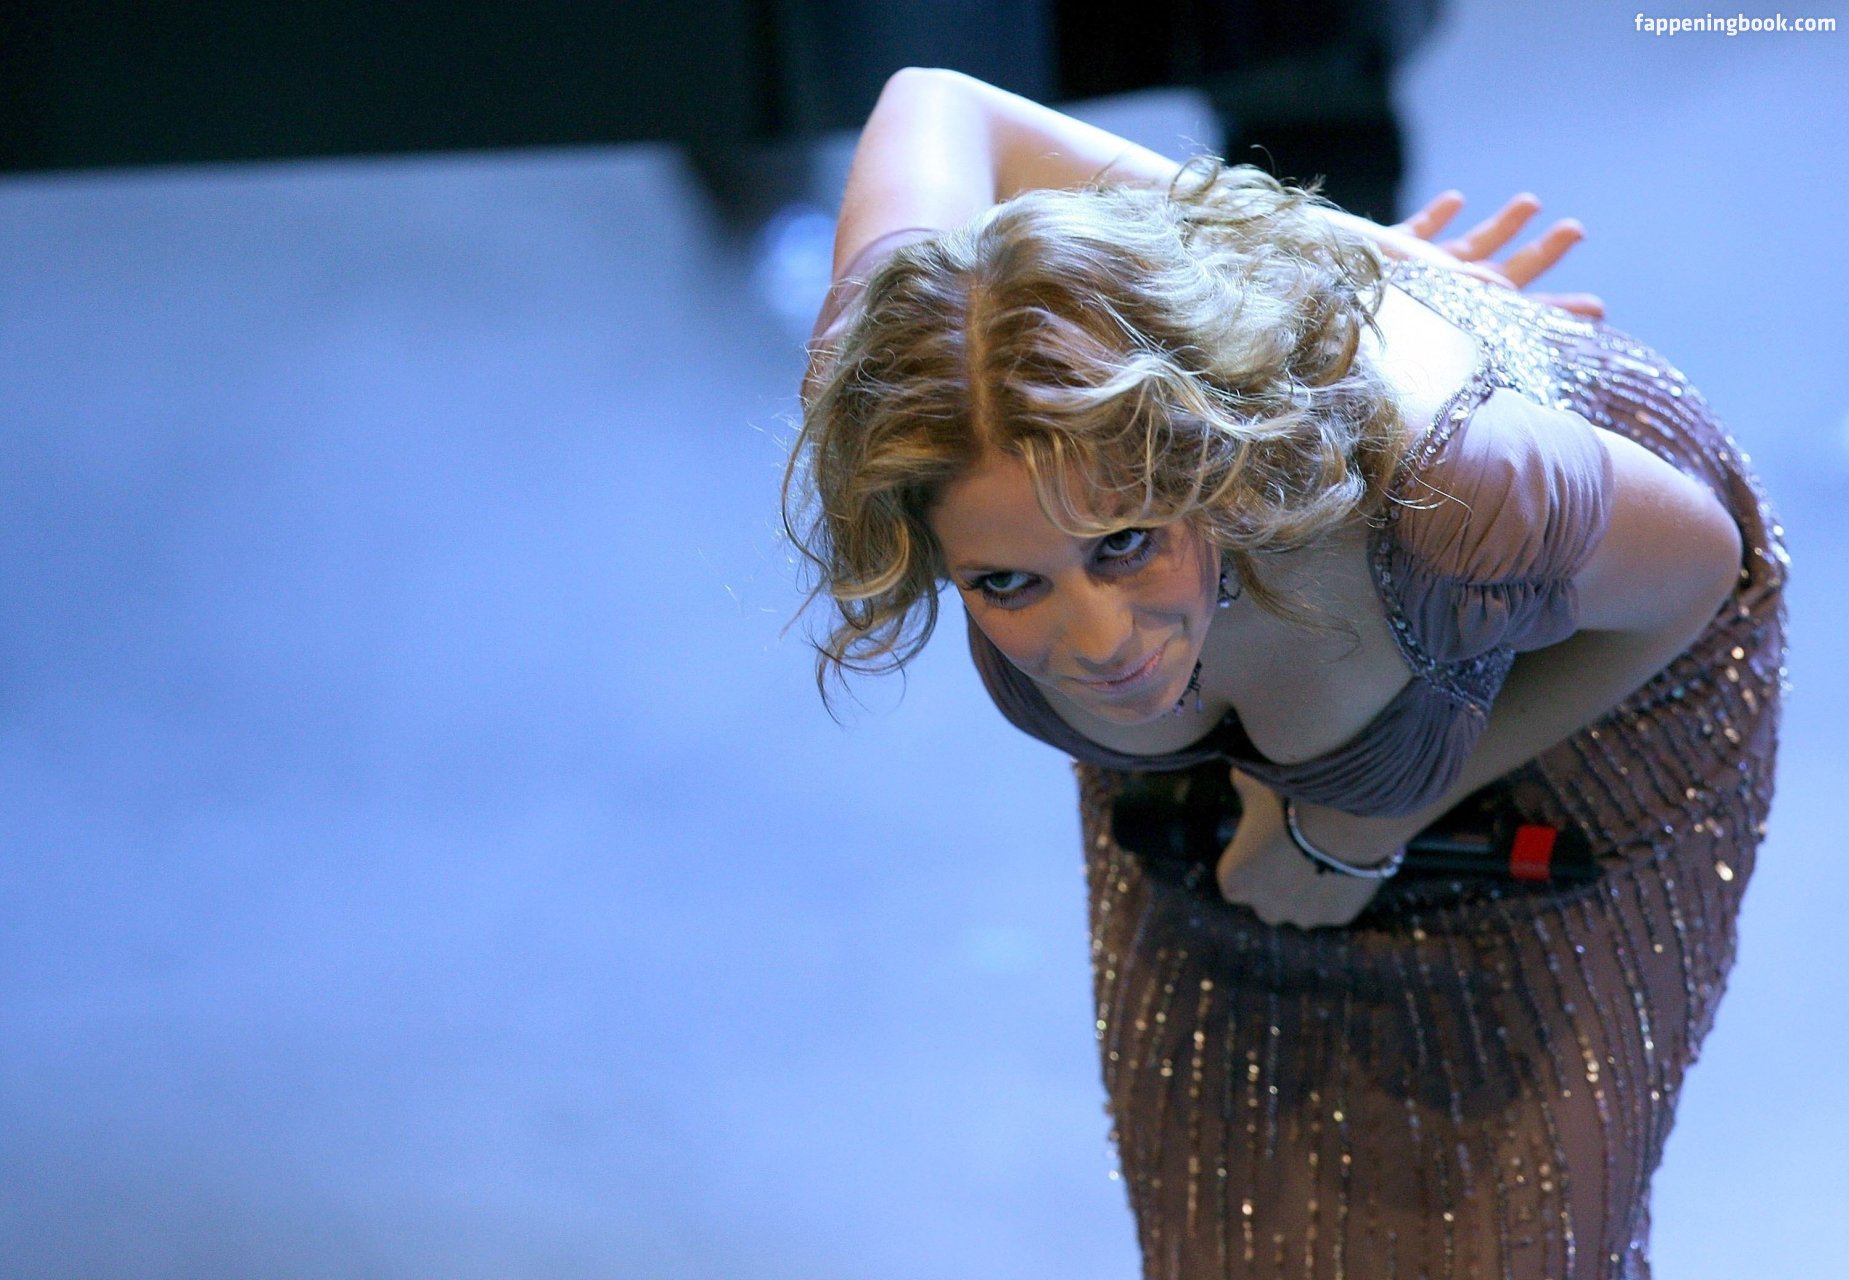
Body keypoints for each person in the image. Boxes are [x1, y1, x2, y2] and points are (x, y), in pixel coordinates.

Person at [785, 67, 1785, 1280]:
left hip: (1582, 694)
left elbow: (1701, 572)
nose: (1097, 645)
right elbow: (936, 99)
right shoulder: (902, 394)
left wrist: (1357, 823)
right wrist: (1329, 244)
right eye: (1005, 581)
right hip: (1213, 822)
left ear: (1200, 457)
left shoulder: (1452, 484)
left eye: (1123, 544)